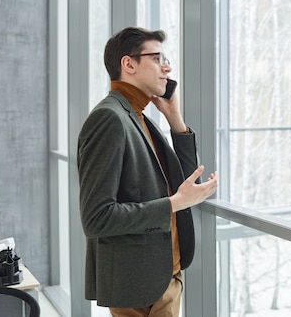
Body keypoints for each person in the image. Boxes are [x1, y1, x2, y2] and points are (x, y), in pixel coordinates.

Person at [77, 26, 218, 316]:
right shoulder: (110, 118)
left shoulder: (138, 117)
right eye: (156, 58)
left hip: (165, 276)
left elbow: (185, 183)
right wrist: (175, 204)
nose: (166, 67)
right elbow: (96, 218)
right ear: (128, 64)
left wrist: (174, 119)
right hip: (139, 287)